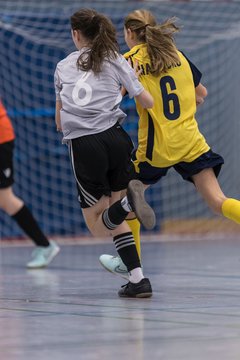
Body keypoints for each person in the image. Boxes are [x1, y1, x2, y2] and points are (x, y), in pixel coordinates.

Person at [99, 9, 240, 278]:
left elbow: (112, 102)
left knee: (126, 201)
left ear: (129, 33)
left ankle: (131, 265)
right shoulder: (177, 54)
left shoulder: (129, 60)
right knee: (218, 200)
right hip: (191, 142)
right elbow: (202, 93)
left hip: (157, 149)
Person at [54, 8, 156, 298]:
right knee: (114, 217)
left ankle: (126, 205)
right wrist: (127, 89)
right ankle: (139, 280)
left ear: (76, 34)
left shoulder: (63, 66)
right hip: (116, 139)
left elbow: (60, 123)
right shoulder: (115, 57)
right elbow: (146, 100)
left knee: (98, 226)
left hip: (86, 145)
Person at [0, 100, 60, 268]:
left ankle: (45, 245)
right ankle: (44, 245)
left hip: (1, 139)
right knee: (5, 199)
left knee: (5, 198)